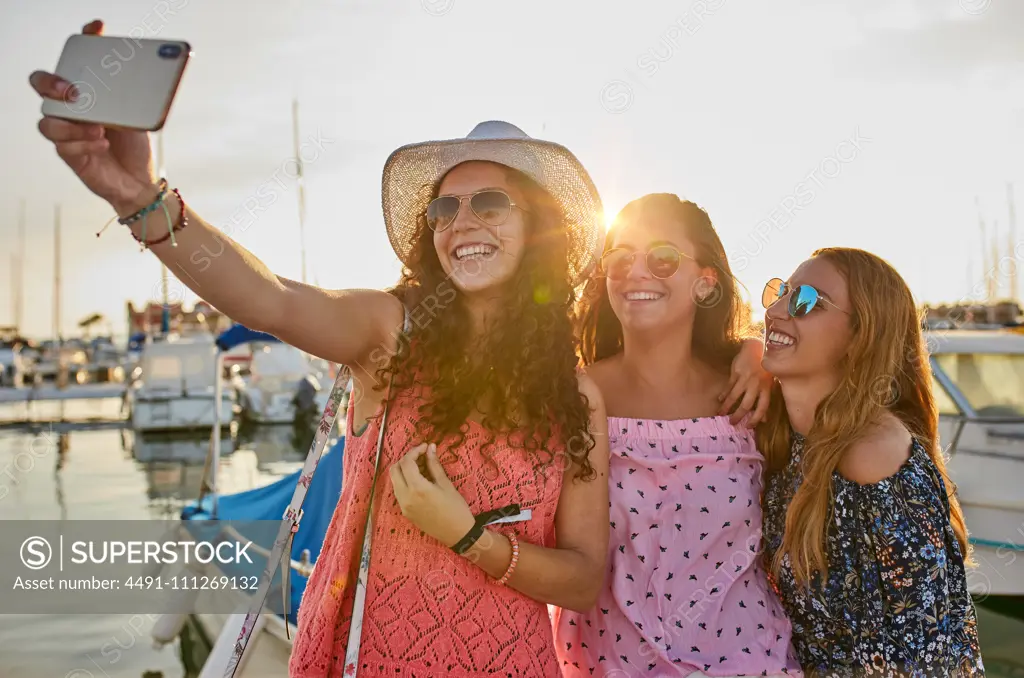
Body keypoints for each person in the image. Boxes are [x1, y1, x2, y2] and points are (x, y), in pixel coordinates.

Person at [31, 21, 610, 677]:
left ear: (540, 228)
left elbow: (584, 579)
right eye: (443, 210)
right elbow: (268, 298)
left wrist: (468, 537)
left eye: (490, 203)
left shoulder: (575, 392)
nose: (461, 224)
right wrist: (141, 197)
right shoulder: (391, 332)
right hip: (379, 658)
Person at [555, 193, 802, 677]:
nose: (635, 270)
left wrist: (758, 353)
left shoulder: (749, 396)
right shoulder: (573, 398)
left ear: (706, 283)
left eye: (663, 257)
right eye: (620, 257)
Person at [758, 248, 984, 676]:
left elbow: (926, 652)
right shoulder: (787, 437)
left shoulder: (871, 453)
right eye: (781, 292)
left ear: (860, 336)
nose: (777, 310)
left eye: (806, 300)